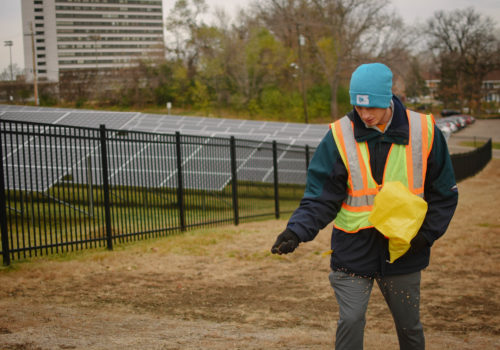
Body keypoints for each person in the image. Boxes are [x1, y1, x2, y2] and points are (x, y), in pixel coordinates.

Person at [271, 63, 458, 349]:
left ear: (388, 99)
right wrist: (295, 231)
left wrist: (425, 235)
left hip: (404, 250)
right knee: (351, 319)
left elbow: (444, 192)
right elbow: (321, 196)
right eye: (358, 107)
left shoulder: (425, 131)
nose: (365, 115)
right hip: (353, 252)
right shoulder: (338, 136)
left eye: (372, 107)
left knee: (409, 327)